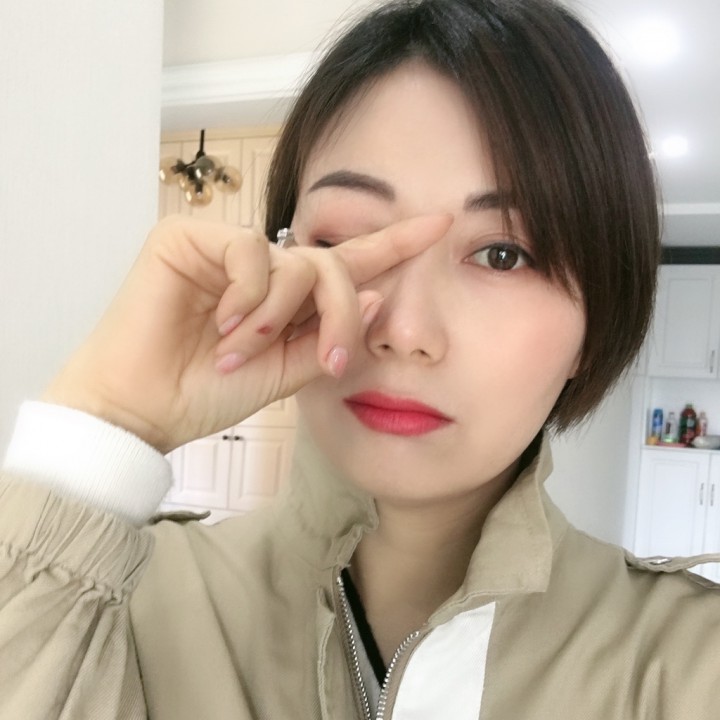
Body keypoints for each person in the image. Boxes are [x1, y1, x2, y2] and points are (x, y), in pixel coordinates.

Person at [1, 0, 718, 718]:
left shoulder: (689, 663)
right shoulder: (108, 608)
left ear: (594, 323)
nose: (404, 331)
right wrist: (104, 421)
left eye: (503, 255)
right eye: (349, 240)